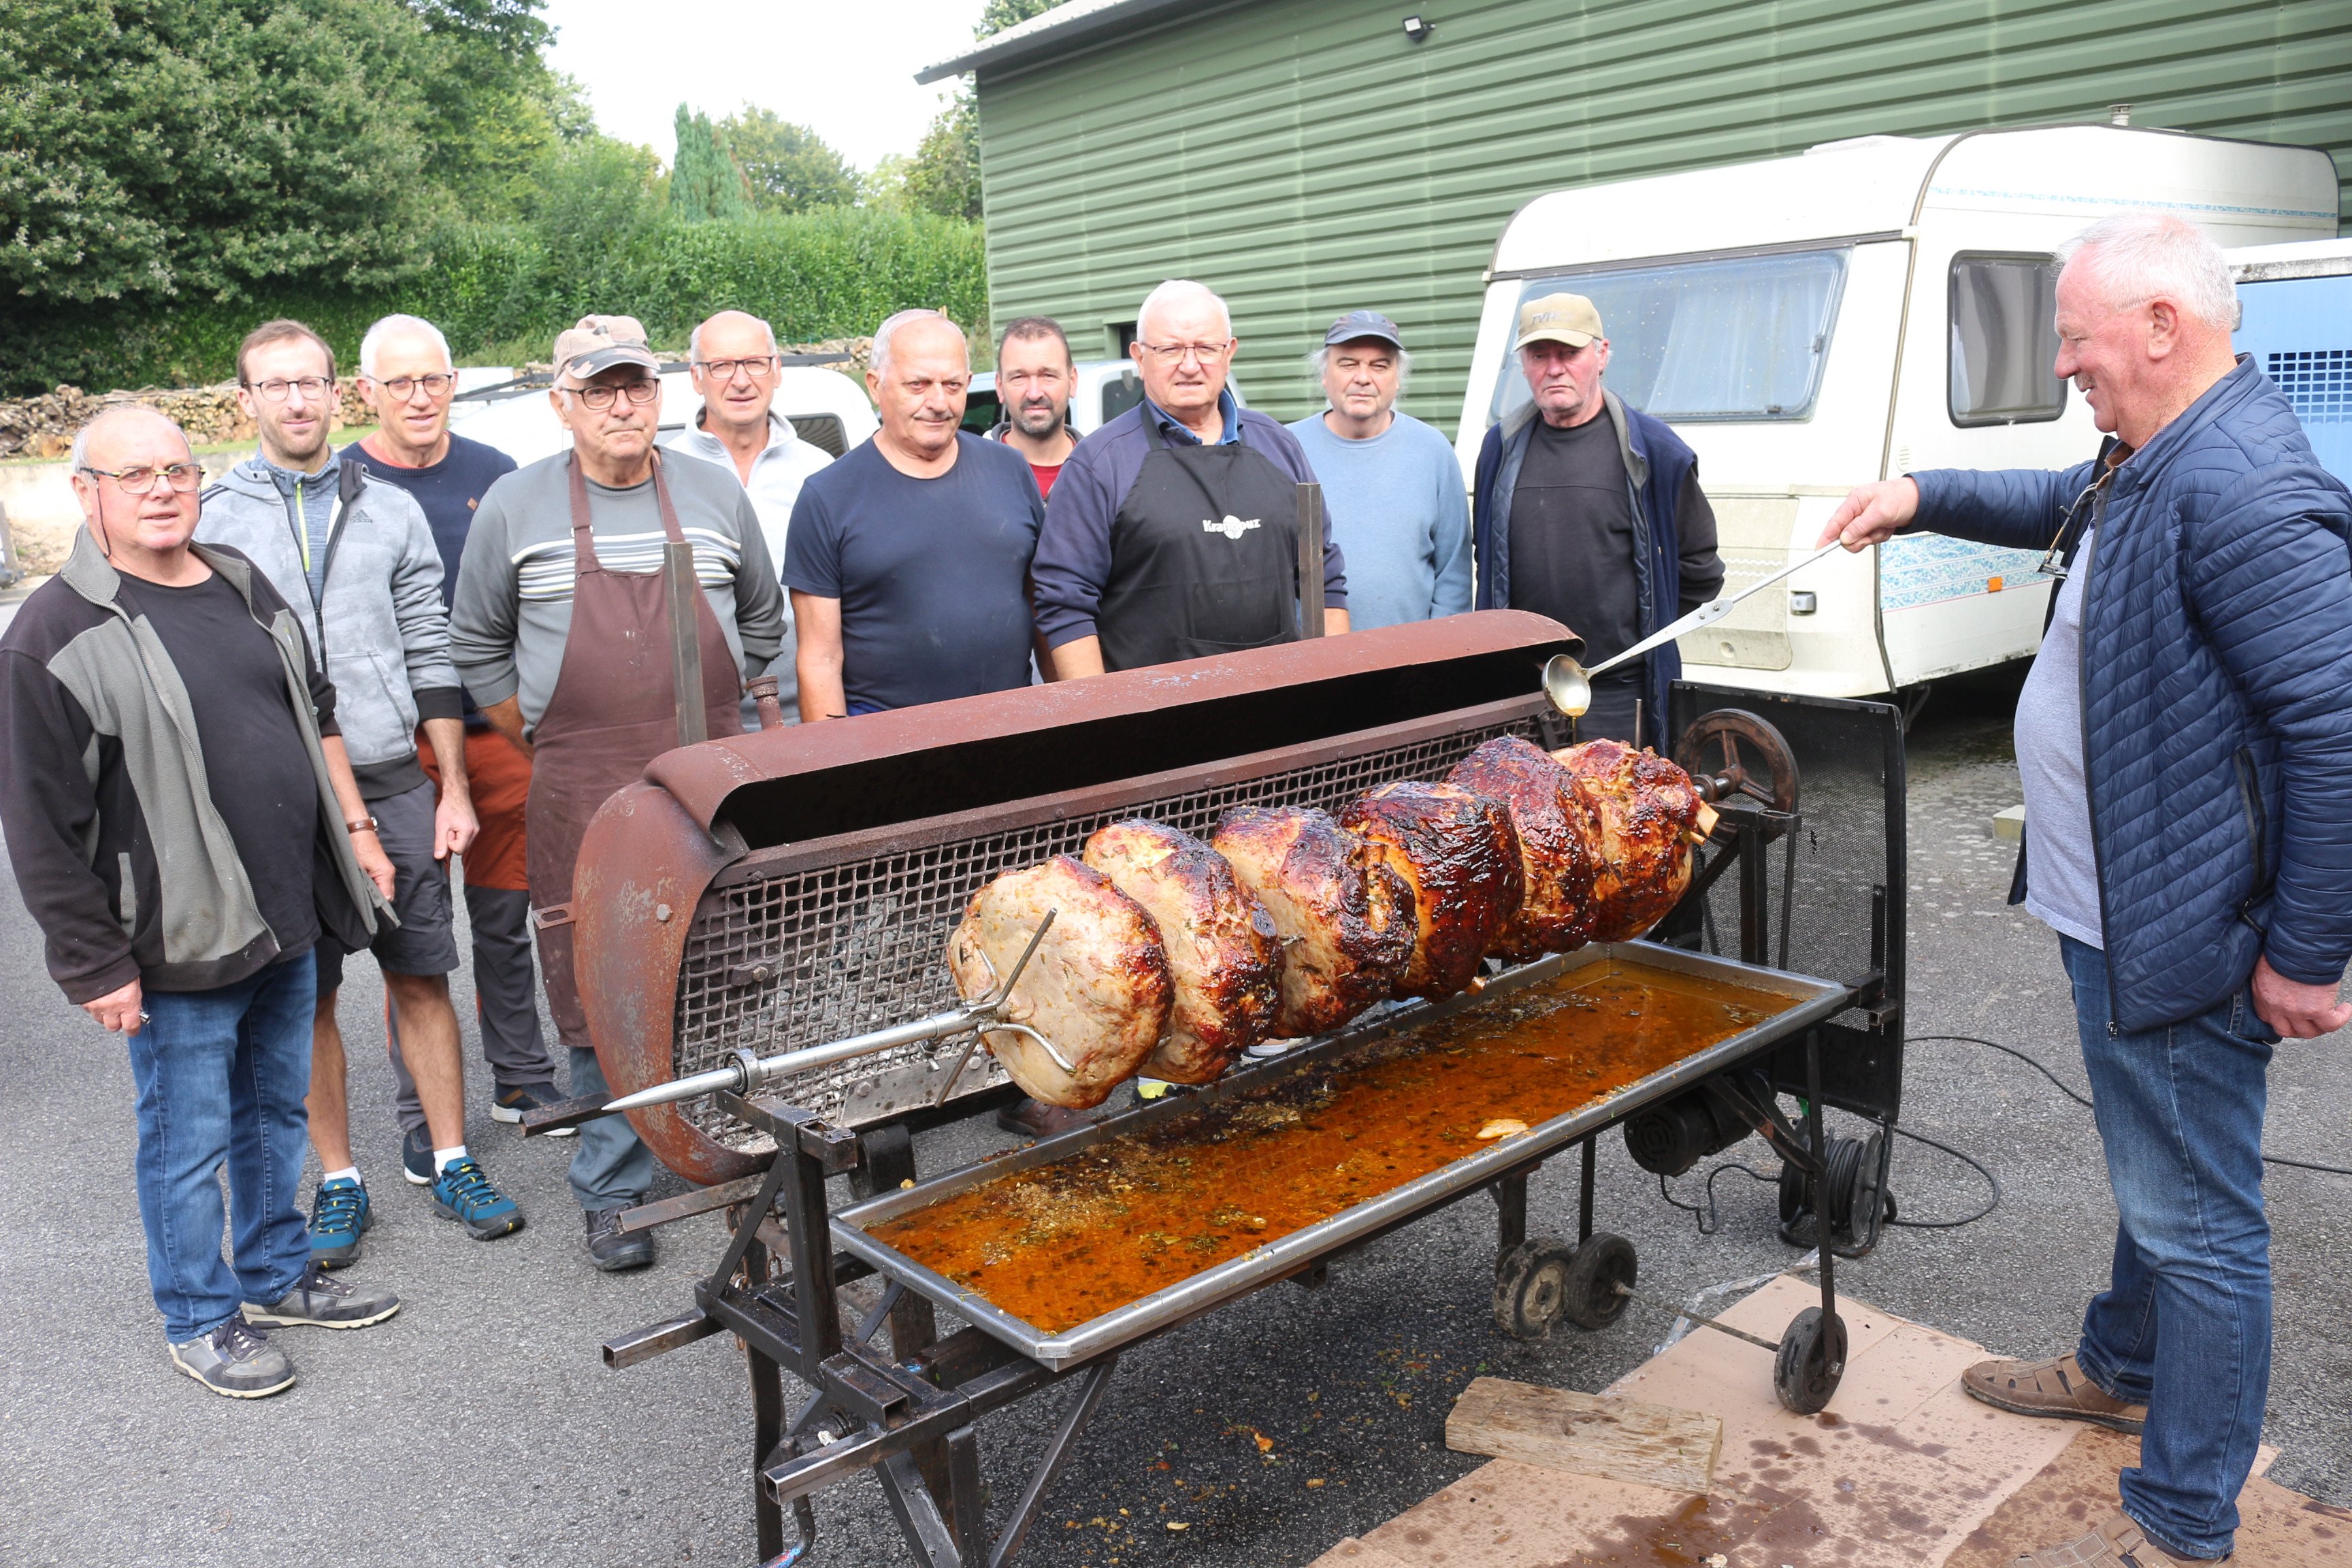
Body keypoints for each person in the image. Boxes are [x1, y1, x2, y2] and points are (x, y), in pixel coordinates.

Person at [1819, 213, 2352, 1568]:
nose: (2063, 364)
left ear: (2163, 327)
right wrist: (1918, 494)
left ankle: (2182, 1522)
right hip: (2115, 905)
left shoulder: (2238, 487)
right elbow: (2051, 497)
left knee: (2201, 1222)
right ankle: (2120, 1366)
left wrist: (2308, 952)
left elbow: (2336, 732)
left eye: (2076, 338)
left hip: (2177, 927)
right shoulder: (2150, 453)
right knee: (2154, 1159)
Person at [0, 406, 402, 1397]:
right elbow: (39, 823)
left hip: (283, 913)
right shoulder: (51, 634)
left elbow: (313, 708)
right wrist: (92, 963)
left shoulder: (238, 579)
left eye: (177, 470)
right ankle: (198, 1316)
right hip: (173, 938)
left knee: (274, 1114)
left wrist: (356, 834)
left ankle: (274, 1274)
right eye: (134, 474)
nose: (162, 489)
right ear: (85, 491)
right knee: (186, 1143)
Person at [452, 314, 786, 1271]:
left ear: (661, 395)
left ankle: (733, 1157)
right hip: (580, 784)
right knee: (597, 977)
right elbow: (476, 644)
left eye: (635, 386)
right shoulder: (515, 507)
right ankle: (611, 1186)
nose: (621, 406)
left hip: (710, 781)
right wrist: (546, 728)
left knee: (722, 966)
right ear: (563, 405)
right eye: (599, 391)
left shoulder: (713, 494)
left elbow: (762, 623)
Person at [199, 319, 524, 1262]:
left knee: (421, 973)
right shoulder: (214, 519)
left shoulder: (390, 510)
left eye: (311, 382)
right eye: (276, 385)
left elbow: (431, 651)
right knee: (305, 993)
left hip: (389, 772)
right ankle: (339, 1180)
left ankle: (453, 1158)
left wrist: (452, 786)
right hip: (277, 792)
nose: (297, 400)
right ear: (247, 401)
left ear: (338, 392)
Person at [345, 313, 570, 1148]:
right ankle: (422, 1111)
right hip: (397, 751)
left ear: (453, 384)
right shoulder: (342, 484)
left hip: (498, 734)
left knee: (508, 917)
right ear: (366, 392)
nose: (419, 397)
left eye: (433, 379)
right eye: (399, 382)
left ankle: (522, 1073)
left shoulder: (495, 476)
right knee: (412, 933)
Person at [1032, 279, 1349, 679]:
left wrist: (1332, 686)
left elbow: (1324, 577)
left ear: (1229, 354)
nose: (1189, 365)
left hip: (1279, 699)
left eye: (1205, 348)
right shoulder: (1098, 465)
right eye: (1170, 349)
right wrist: (1101, 710)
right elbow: (1066, 605)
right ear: (1139, 357)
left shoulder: (1279, 446)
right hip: (1154, 709)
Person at [1470, 292, 1722, 749]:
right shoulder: (1500, 448)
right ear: (1523, 365)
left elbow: (1701, 571)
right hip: (1523, 696)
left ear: (1602, 355)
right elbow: (1485, 558)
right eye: (1539, 355)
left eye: (1569, 353)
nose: (1554, 368)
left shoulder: (1656, 452)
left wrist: (1643, 639)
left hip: (1622, 695)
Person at [784, 309, 1044, 721]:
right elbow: (820, 661)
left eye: (952, 385)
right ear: (875, 385)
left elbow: (1044, 608)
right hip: (887, 738)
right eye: (918, 385)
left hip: (1012, 725)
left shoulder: (1010, 470)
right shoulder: (827, 498)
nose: (938, 403)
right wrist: (833, 757)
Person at [668, 309, 834, 722]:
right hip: (698, 720)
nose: (741, 381)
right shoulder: (665, 473)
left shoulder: (820, 471)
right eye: (722, 366)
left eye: (755, 363)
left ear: (777, 371)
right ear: (696, 377)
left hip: (813, 711)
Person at [1286, 310, 1471, 630]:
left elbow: (1454, 574)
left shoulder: (1433, 451)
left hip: (1414, 655)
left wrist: (1443, 651)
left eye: (1379, 366)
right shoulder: (1285, 448)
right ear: (1325, 375)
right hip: (1310, 655)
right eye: (1348, 364)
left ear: (1397, 379)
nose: (1363, 378)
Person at [987, 316, 1079, 500]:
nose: (1034, 394)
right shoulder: (971, 473)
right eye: (1019, 377)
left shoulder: (1103, 471)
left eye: (1048, 376)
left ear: (1073, 382)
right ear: (1000, 387)